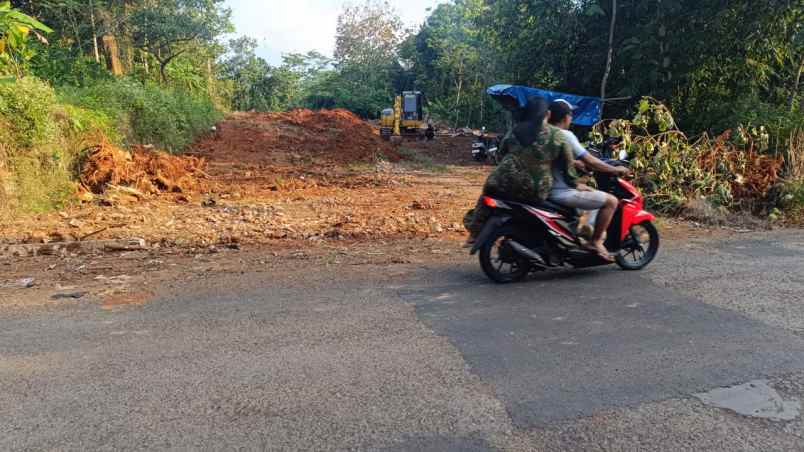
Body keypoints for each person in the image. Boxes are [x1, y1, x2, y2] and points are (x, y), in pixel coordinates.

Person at [465, 95, 578, 246]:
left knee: (486, 193)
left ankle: (474, 232)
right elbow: (568, 167)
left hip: (502, 183)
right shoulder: (556, 135)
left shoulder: (515, 130)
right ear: (548, 115)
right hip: (536, 189)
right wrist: (574, 184)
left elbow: (500, 154)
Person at [547, 99, 630, 260]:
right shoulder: (565, 135)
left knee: (590, 190)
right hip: (560, 192)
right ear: (565, 117)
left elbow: (553, 159)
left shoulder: (544, 132)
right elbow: (591, 161)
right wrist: (616, 169)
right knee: (611, 201)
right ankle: (595, 241)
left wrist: (575, 163)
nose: (571, 118)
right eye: (570, 114)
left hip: (546, 188)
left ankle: (583, 228)